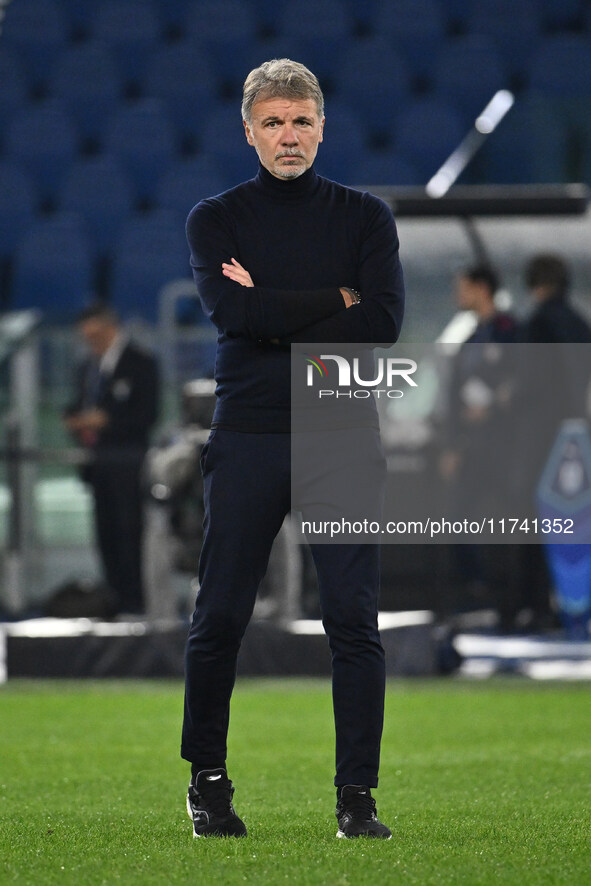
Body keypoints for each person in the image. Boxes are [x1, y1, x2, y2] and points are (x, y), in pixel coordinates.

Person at [181, 59, 404, 839]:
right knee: (221, 616)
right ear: (248, 131)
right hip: (247, 434)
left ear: (321, 126)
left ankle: (357, 798)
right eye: (272, 123)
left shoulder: (365, 216)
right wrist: (330, 299)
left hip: (342, 432)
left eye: (300, 121)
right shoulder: (216, 217)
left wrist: (269, 306)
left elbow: (380, 325)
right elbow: (229, 314)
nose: (288, 136)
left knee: (353, 620)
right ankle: (207, 781)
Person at [63, 303, 159, 615]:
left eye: (95, 336)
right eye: (86, 338)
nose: (91, 344)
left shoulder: (141, 363)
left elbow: (147, 415)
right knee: (104, 533)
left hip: (128, 463)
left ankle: (137, 601)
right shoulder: (87, 368)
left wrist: (107, 422)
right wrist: (78, 423)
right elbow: (76, 407)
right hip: (97, 463)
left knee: (129, 532)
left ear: (110, 328)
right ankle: (115, 599)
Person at [439, 265, 517, 622]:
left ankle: (511, 601)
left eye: (463, 287)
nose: (458, 295)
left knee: (512, 524)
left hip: (505, 448)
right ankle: (478, 594)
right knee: (458, 520)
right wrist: (453, 445)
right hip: (472, 449)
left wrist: (498, 406)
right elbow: (457, 396)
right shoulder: (470, 338)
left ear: (481, 288)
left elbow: (523, 385)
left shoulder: (510, 332)